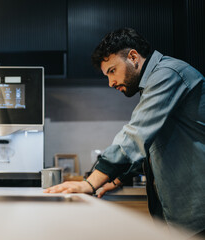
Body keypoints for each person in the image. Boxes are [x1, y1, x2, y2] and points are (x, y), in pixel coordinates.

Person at [44, 28, 205, 237]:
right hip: (182, 212)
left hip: (198, 209)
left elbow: (136, 134)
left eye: (112, 70)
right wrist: (117, 179)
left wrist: (90, 183)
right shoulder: (154, 82)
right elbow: (150, 141)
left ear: (133, 57)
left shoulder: (168, 74)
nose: (111, 82)